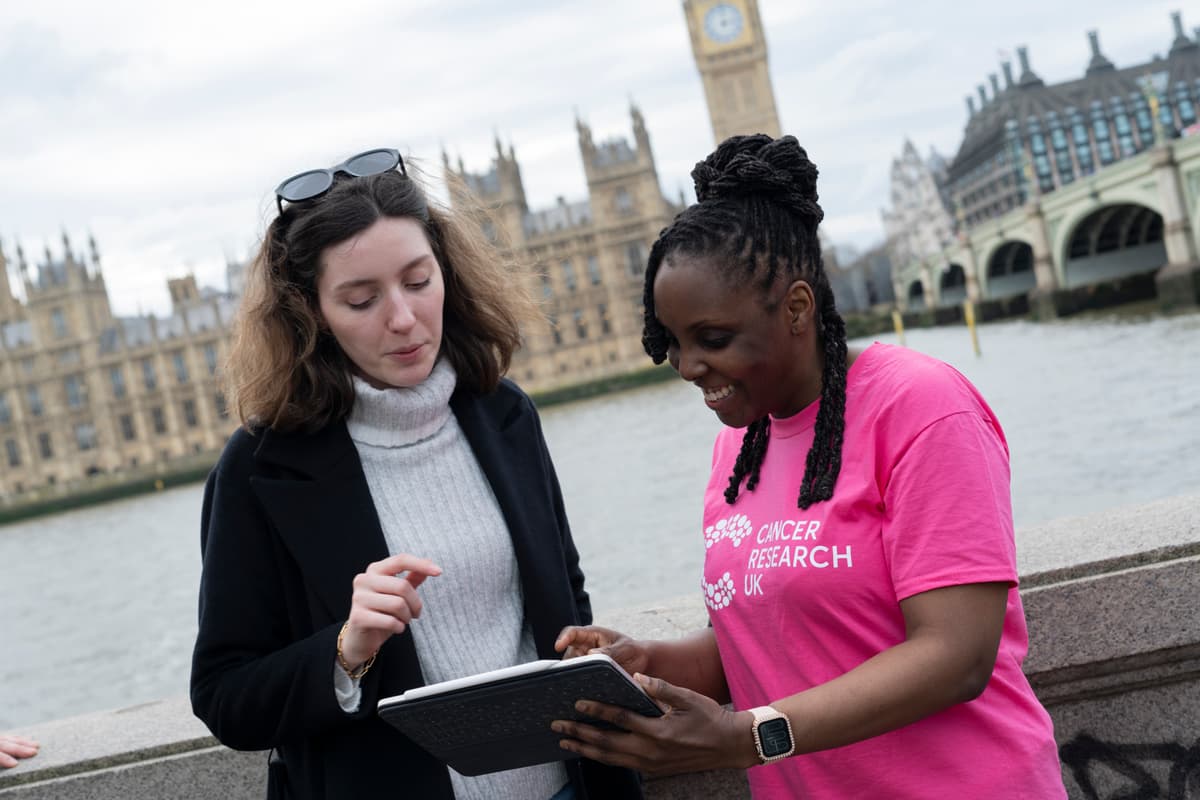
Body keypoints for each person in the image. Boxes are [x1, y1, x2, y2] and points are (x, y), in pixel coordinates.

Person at [552, 134, 1066, 799]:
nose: (686, 366)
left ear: (796, 308)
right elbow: (760, 639)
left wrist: (748, 736)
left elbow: (957, 656)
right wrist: (647, 664)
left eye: (712, 339)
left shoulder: (922, 407)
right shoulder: (738, 445)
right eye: (671, 342)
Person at [190, 148, 642, 800]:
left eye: (417, 281)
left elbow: (567, 600)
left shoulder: (503, 413)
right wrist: (346, 648)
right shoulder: (259, 471)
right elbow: (225, 696)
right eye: (361, 298)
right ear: (312, 313)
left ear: (447, 272)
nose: (402, 319)